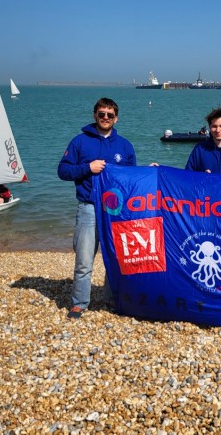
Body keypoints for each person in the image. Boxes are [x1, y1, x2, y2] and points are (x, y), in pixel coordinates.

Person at [58, 97, 136, 320]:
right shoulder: (80, 142)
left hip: (115, 211)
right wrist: (87, 168)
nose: (105, 118)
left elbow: (131, 178)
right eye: (101, 114)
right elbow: (63, 171)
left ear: (116, 118)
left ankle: (112, 300)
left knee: (115, 259)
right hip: (89, 209)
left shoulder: (125, 146)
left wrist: (151, 172)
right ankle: (79, 303)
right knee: (84, 261)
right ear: (95, 115)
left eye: (110, 115)